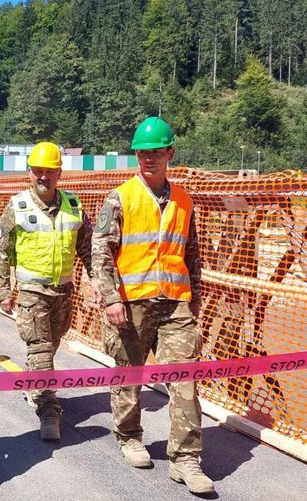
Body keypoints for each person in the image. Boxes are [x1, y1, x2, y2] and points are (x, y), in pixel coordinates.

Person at [91, 116, 214, 494]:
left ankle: (186, 458)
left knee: (186, 378)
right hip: (131, 304)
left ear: (170, 152)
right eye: (143, 152)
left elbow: (191, 252)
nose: (149, 158)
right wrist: (111, 298)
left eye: (156, 152)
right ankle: (129, 435)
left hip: (175, 303)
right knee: (129, 374)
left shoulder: (184, 199)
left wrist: (193, 296)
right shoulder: (120, 197)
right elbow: (101, 251)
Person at [0, 141, 94, 441]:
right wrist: (3, 290)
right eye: (37, 171)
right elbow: (0, 251)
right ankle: (48, 410)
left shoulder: (74, 206)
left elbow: (87, 248)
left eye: (49, 171)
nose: (42, 177)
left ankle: (34, 381)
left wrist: (96, 281)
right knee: (41, 349)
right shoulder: (18, 205)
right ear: (30, 173)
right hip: (32, 293)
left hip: (63, 292)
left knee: (52, 343)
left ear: (60, 173)